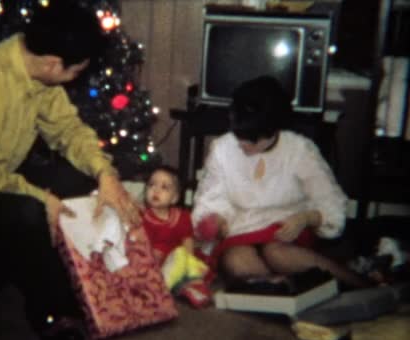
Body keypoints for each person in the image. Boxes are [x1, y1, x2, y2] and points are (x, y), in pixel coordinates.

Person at [0, 1, 141, 340]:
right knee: (29, 209)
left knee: (78, 179)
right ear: (52, 63)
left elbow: (68, 131)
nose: (75, 78)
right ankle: (53, 315)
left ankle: (91, 286)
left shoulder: (39, 75)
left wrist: (105, 174)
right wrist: (37, 194)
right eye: (74, 71)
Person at [191, 75, 368, 289]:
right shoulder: (222, 148)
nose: (242, 144)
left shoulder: (300, 150)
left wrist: (307, 217)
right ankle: (280, 288)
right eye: (239, 135)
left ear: (274, 130)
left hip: (286, 228)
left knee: (277, 254)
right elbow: (212, 197)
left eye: (252, 138)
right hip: (241, 228)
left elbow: (331, 202)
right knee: (237, 262)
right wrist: (217, 220)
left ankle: (359, 283)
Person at [142, 166, 212, 308]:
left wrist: (188, 261)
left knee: (182, 256)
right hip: (154, 266)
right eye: (152, 185)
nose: (156, 190)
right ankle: (171, 288)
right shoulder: (142, 217)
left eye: (164, 187)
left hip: (177, 262)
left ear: (174, 198)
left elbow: (188, 242)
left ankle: (189, 285)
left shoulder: (182, 216)